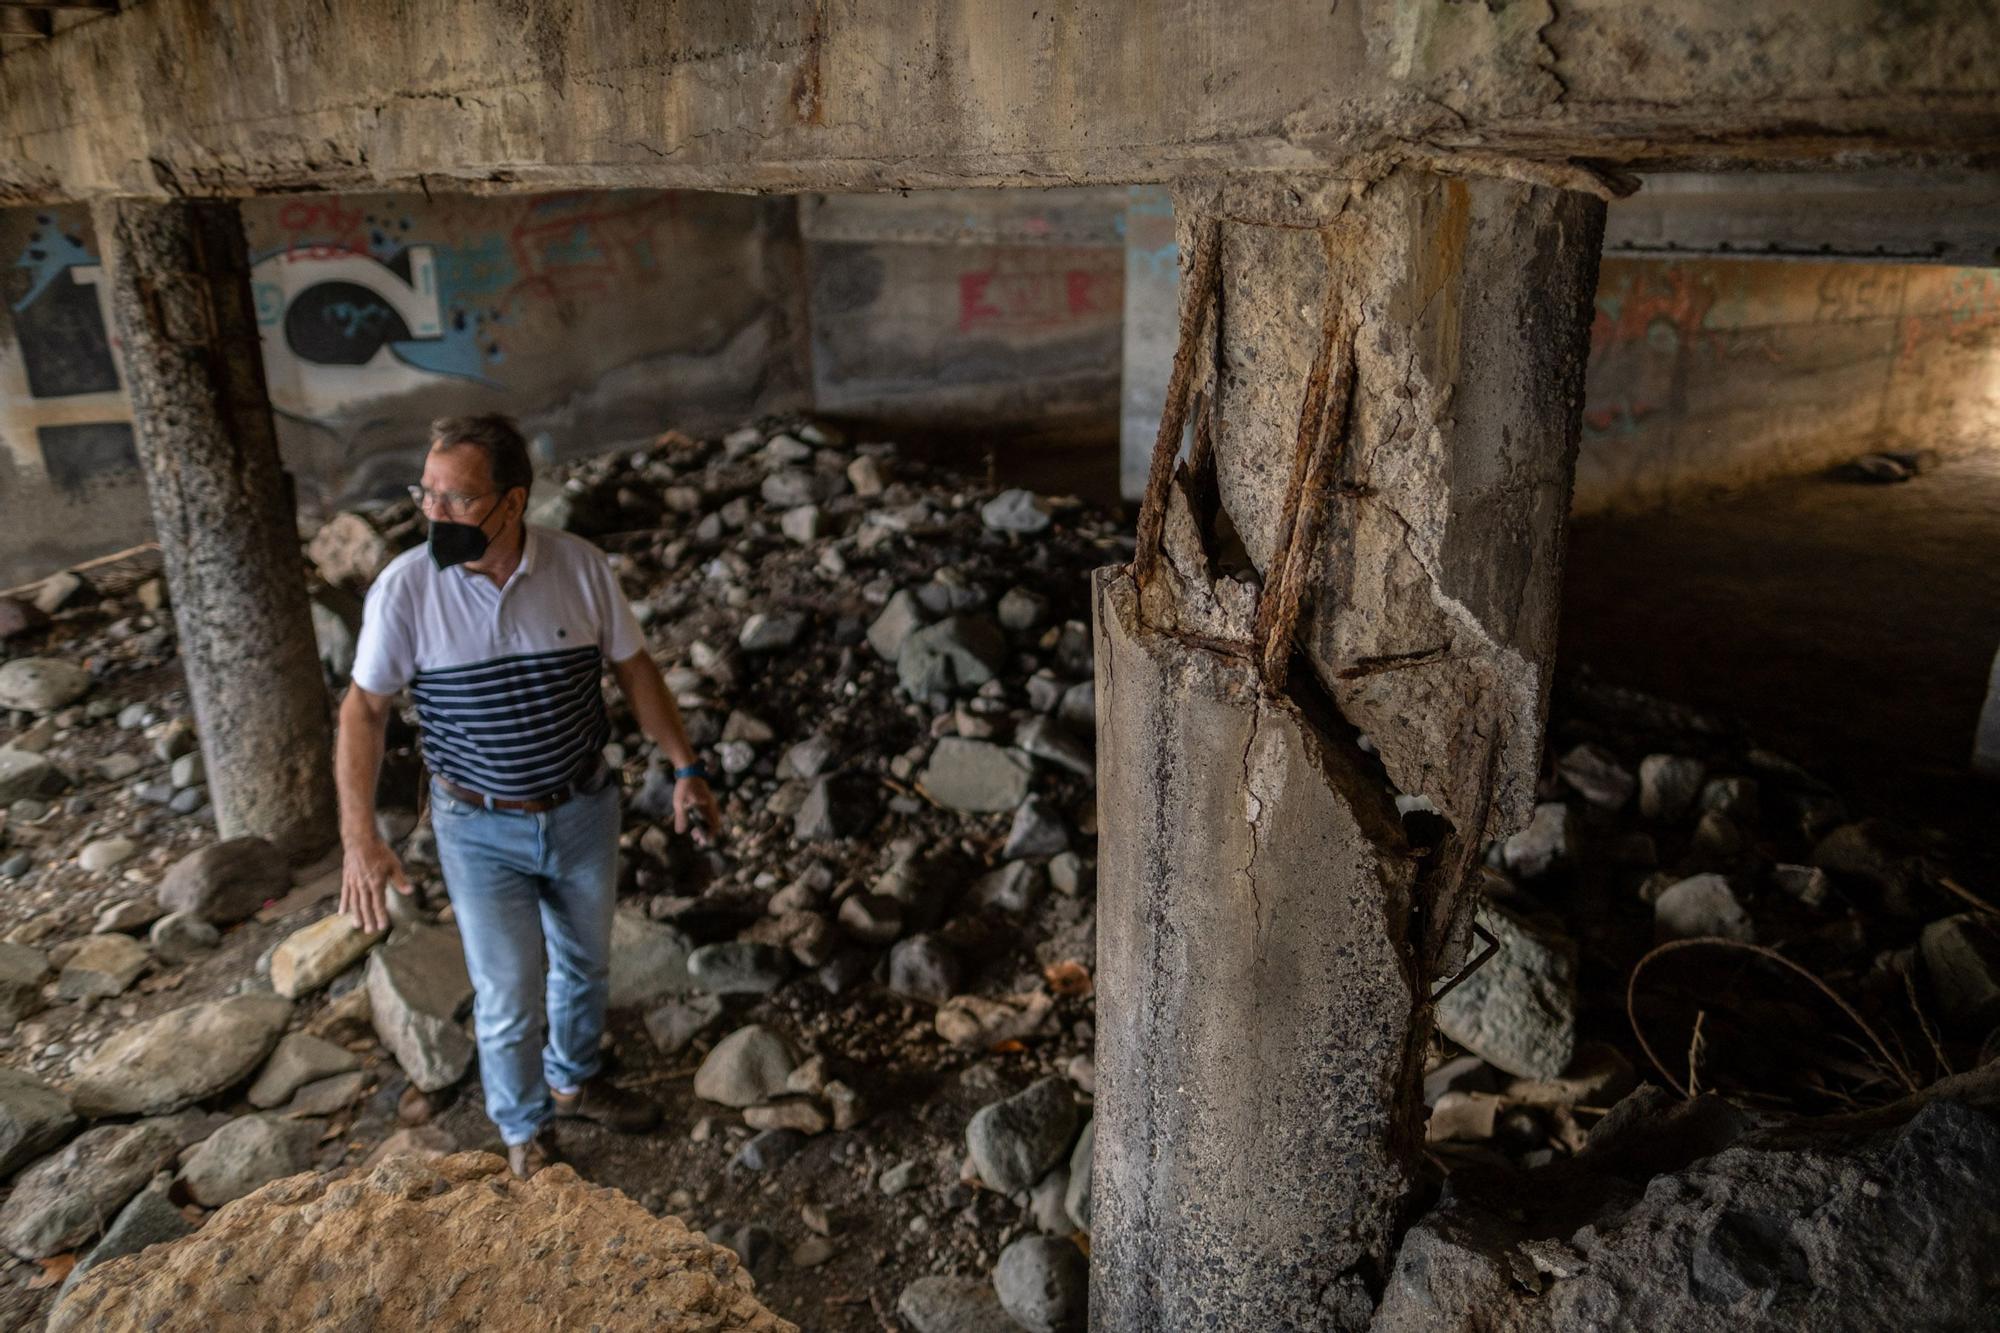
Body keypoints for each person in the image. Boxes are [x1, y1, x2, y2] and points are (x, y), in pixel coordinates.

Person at [335, 413, 720, 1179]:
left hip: (583, 809)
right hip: (477, 826)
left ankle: (573, 1081)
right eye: (427, 494)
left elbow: (636, 671)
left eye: (456, 499)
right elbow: (363, 710)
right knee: (507, 993)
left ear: (513, 503)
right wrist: (359, 837)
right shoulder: (406, 590)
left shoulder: (579, 569)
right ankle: (524, 1133)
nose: (433, 513)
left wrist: (685, 767)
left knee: (585, 967)